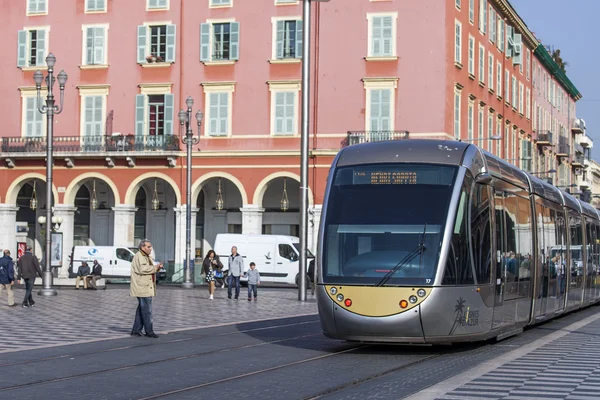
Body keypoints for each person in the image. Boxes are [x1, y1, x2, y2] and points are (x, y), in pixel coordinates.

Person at [130, 240, 163, 338]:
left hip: (145, 286)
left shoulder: (145, 256)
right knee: (147, 310)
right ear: (142, 247)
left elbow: (148, 268)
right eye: (148, 247)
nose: (150, 248)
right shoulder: (140, 256)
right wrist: (155, 267)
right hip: (142, 287)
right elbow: (143, 269)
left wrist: (157, 267)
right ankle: (149, 331)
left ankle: (136, 330)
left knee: (141, 309)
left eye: (150, 246)